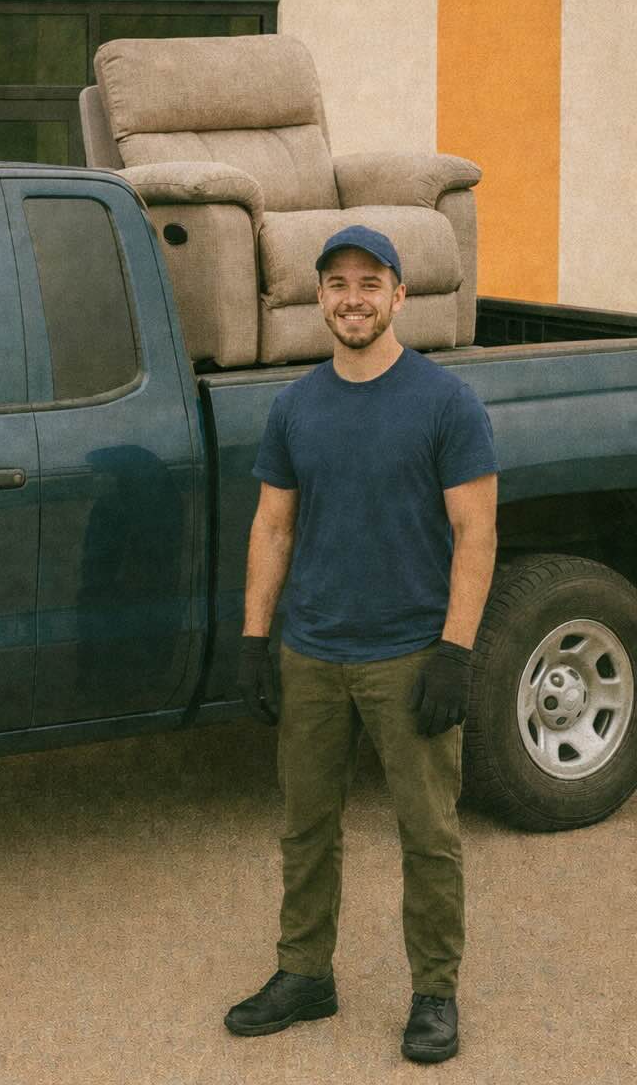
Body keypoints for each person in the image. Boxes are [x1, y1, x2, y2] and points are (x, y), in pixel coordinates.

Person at [226, 225, 498, 1064]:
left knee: (427, 834)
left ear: (398, 297)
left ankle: (435, 994)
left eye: (369, 283)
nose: (352, 297)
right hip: (312, 652)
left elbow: (476, 532)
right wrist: (255, 637)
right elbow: (273, 525)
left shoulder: (446, 404)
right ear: (321, 297)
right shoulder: (295, 406)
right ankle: (305, 973)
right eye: (337, 282)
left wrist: (455, 652)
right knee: (306, 826)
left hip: (410, 654)